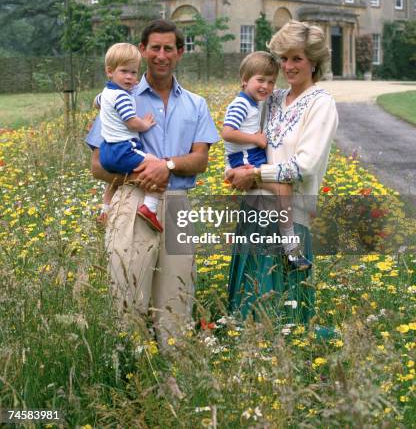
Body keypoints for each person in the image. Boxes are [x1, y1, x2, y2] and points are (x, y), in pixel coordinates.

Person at [86, 20, 219, 347]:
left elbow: (200, 159)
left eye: (168, 49)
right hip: (132, 200)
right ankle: (130, 380)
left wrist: (167, 165)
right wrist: (140, 175)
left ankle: (174, 381)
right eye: (154, 48)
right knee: (128, 298)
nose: (161, 55)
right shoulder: (118, 96)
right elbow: (96, 164)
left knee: (177, 300)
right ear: (143, 50)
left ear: (180, 53)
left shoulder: (196, 104)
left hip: (177, 205)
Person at [227, 20, 338, 325]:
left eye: (297, 58)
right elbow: (243, 134)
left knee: (282, 314)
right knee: (248, 309)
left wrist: (255, 174)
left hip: (291, 216)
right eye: (284, 59)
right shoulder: (272, 99)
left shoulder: (321, 104)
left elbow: (303, 167)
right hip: (254, 211)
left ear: (313, 61)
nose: (288, 66)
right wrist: (235, 169)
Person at [221, 51, 311, 270]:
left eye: (271, 82)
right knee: (283, 189)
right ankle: (290, 247)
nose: (266, 86)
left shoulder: (254, 103)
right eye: (260, 80)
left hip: (251, 159)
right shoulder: (241, 104)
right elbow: (227, 132)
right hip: (246, 162)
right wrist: (256, 139)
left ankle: (288, 244)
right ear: (244, 80)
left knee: (282, 189)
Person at [97, 42, 163, 232]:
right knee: (156, 165)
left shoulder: (106, 93)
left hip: (106, 151)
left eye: (134, 73)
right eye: (124, 71)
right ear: (110, 72)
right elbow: (131, 122)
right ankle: (149, 207)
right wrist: (145, 124)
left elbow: (97, 102)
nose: (129, 77)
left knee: (114, 180)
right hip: (124, 148)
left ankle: (105, 209)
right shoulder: (122, 97)